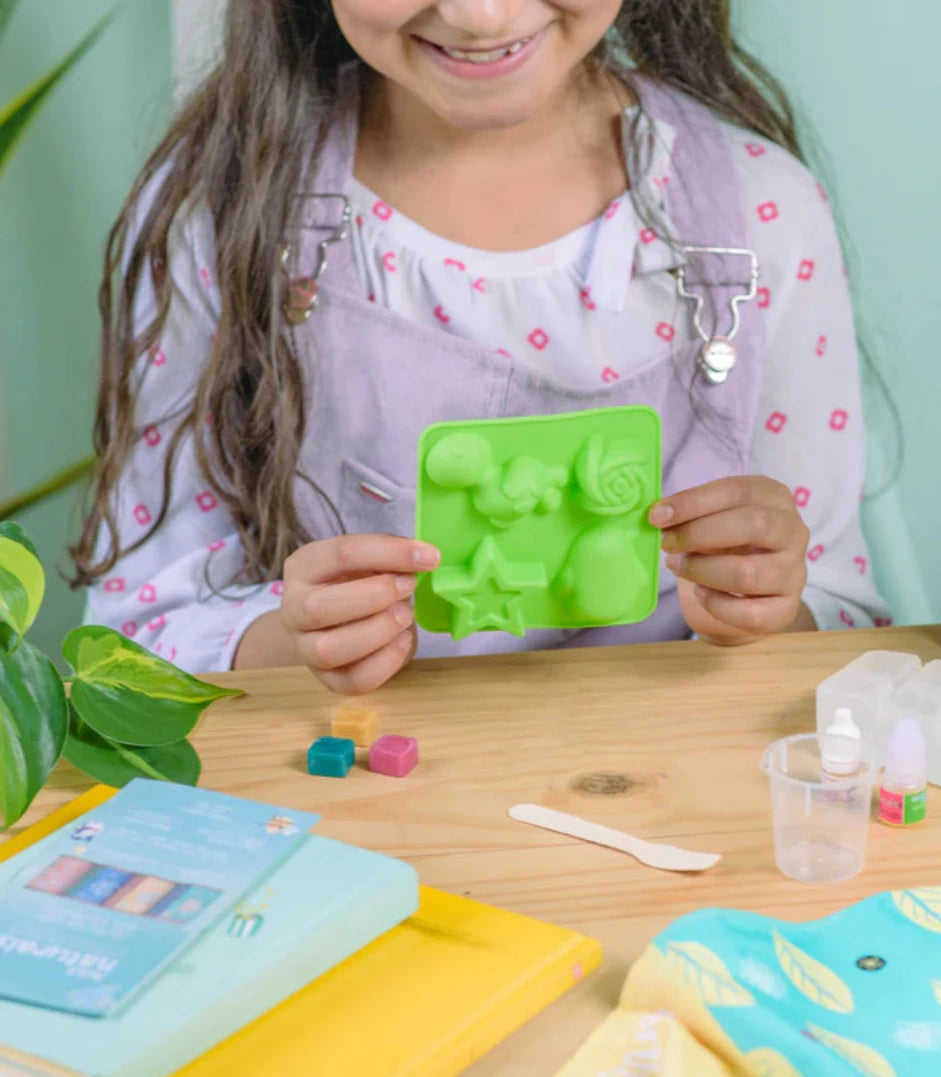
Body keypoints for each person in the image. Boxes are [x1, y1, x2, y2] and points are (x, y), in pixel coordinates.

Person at [73, 0, 889, 694]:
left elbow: (840, 611)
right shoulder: (224, 214)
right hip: (355, 793)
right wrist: (292, 641)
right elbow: (136, 635)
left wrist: (771, 604)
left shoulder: (763, 214)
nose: (480, 16)